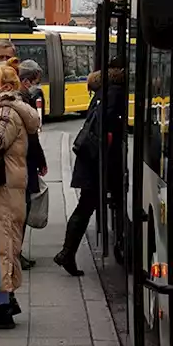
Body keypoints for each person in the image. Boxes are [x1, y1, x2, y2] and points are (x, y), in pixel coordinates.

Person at [0, 62, 40, 329]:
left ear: (4, 87)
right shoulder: (7, 108)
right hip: (9, 187)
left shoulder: (5, 110)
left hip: (4, 189)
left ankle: (2, 307)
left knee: (3, 246)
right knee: (6, 244)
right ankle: (8, 298)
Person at [56, 69, 107, 276]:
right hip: (93, 165)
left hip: (88, 163)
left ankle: (67, 253)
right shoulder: (107, 98)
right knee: (84, 208)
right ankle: (66, 253)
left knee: (84, 207)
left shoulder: (98, 98)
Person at [15, 59, 47, 270]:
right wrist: (41, 161)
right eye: (34, 82)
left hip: (19, 164)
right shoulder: (23, 103)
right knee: (20, 211)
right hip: (21, 166)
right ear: (26, 82)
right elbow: (31, 137)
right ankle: (16, 254)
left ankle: (16, 253)